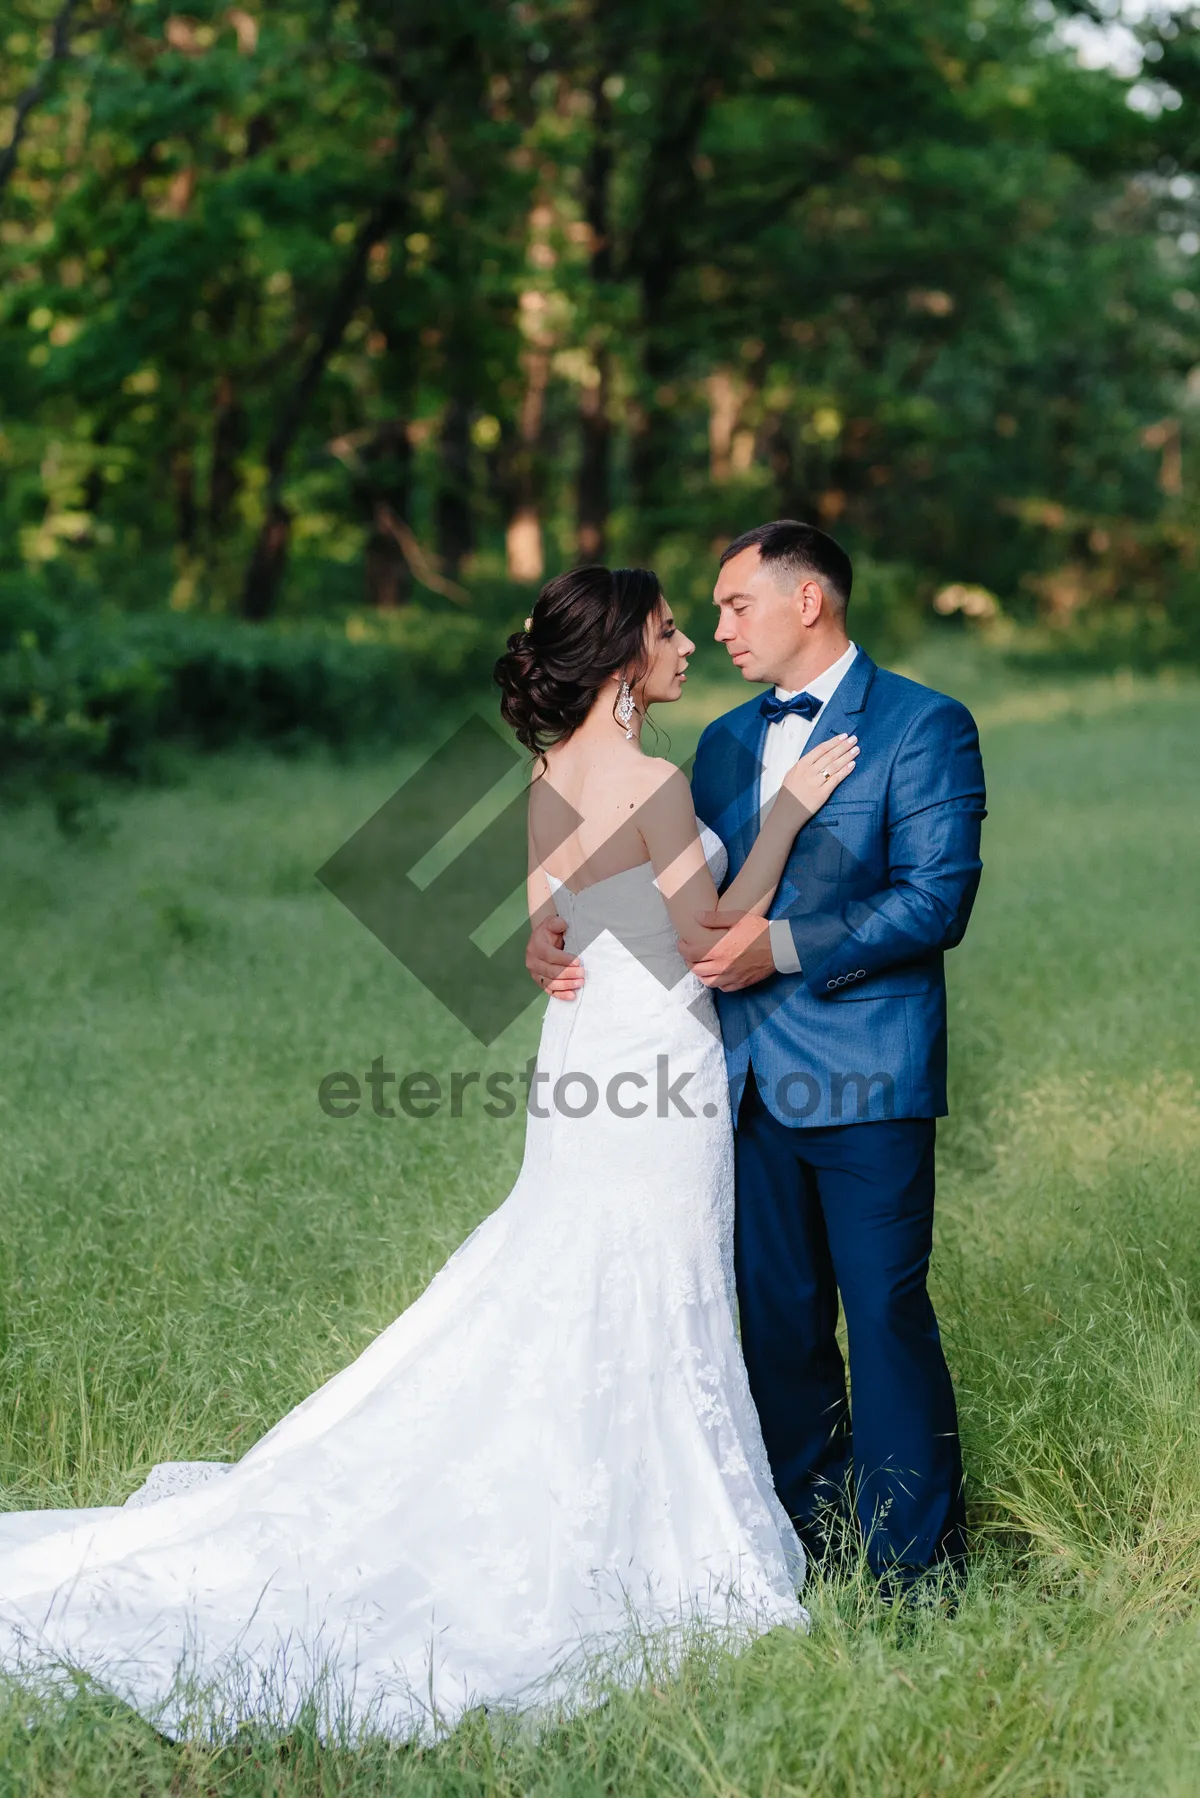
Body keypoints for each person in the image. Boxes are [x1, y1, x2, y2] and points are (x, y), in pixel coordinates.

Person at [0, 564, 856, 1742]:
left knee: (578, 1266)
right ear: (621, 661)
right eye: (667, 631)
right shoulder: (654, 779)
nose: (686, 647)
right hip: (658, 1062)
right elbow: (707, 941)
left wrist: (554, 944)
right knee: (644, 1280)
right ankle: (632, 1539)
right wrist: (791, 815)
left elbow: (544, 930)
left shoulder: (550, 773)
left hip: (581, 1059)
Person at [529, 522, 987, 1591]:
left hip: (867, 1070)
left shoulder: (926, 726)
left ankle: (914, 1570)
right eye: (700, 616)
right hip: (725, 1082)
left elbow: (936, 897)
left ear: (809, 601)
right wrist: (549, 932)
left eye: (735, 606)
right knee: (774, 1325)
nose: (716, 628)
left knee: (882, 1313)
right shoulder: (724, 743)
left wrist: (776, 944)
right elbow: (643, 882)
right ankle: (803, 1538)